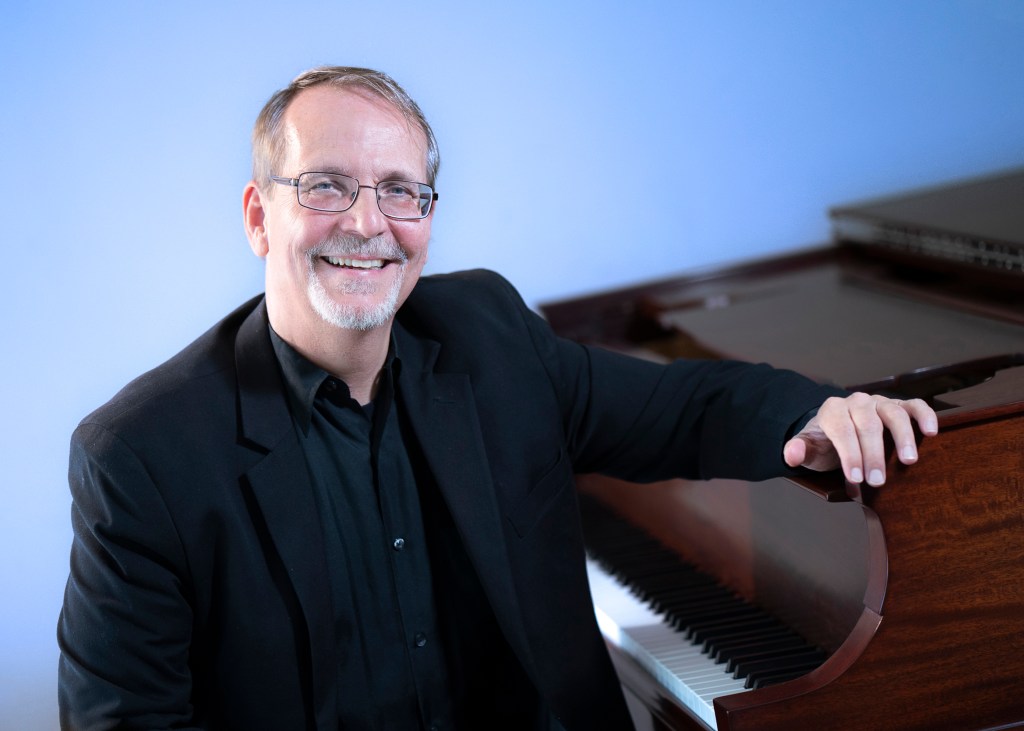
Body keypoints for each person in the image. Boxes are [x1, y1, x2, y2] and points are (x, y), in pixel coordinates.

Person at [57, 66, 938, 731]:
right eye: (326, 185)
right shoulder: (143, 455)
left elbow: (685, 407)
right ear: (259, 216)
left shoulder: (486, 335)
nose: (367, 222)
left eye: (400, 191)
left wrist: (816, 414)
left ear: (427, 220)